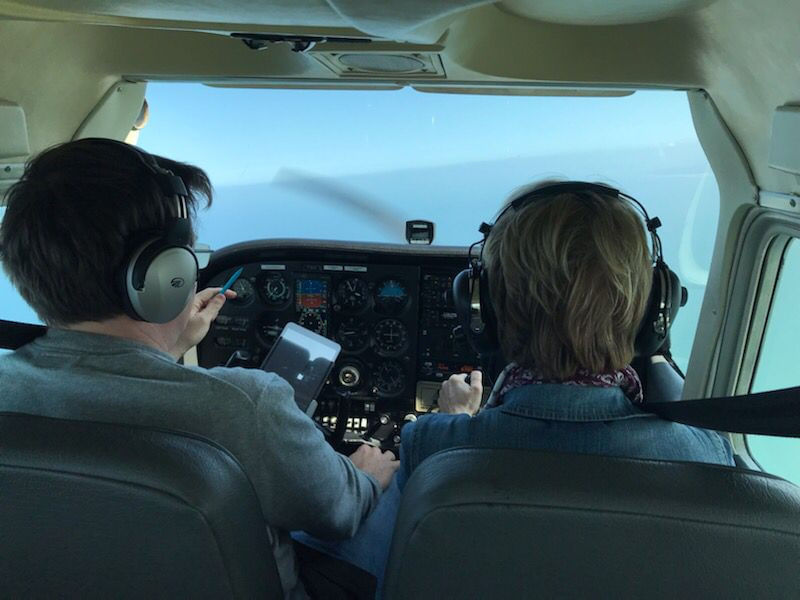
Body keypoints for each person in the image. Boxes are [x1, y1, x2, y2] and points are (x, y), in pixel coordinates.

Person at [0, 138, 398, 599]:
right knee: (408, 469)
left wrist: (168, 343)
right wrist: (365, 474)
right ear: (165, 276)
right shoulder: (244, 407)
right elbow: (337, 513)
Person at [295, 181, 734, 589]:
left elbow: (348, 571)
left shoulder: (432, 447)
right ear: (655, 310)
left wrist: (452, 427)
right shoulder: (703, 457)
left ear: (482, 311)